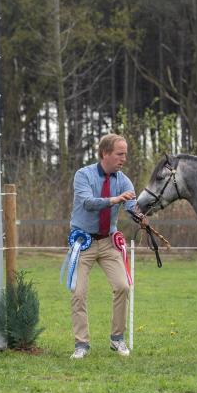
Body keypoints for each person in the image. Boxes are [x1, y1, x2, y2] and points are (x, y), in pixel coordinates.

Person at [68, 133, 138, 359]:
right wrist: (115, 200)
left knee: (123, 287)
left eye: (125, 154)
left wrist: (143, 215)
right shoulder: (83, 175)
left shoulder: (124, 180)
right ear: (105, 154)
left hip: (109, 243)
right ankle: (82, 344)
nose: (123, 158)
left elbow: (133, 208)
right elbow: (88, 203)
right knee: (78, 293)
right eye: (120, 154)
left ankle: (117, 339)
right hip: (83, 242)